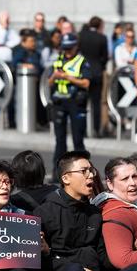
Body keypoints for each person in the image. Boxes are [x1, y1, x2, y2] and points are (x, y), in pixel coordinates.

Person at [48, 33, 92, 174]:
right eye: (64, 48)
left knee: (77, 139)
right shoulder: (58, 61)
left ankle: (83, 171)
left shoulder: (82, 61)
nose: (66, 52)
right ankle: (58, 172)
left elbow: (86, 83)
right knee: (60, 140)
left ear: (75, 47)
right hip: (60, 102)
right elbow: (49, 83)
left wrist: (68, 77)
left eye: (69, 49)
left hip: (76, 102)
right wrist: (55, 76)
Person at [78, 16, 109, 137]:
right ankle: (96, 129)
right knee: (96, 103)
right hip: (97, 72)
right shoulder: (102, 38)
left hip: (83, 71)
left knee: (82, 102)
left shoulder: (81, 35)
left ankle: (83, 129)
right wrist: (100, 66)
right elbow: (105, 57)